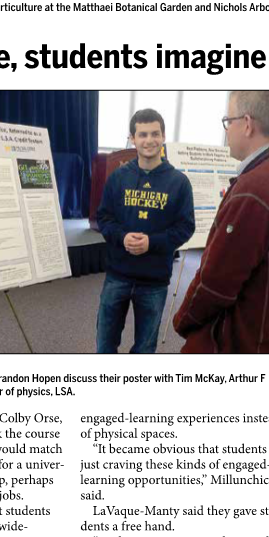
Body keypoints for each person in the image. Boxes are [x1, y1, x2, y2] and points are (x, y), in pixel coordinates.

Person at [173, 90, 269, 354]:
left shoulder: (257, 188)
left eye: (228, 121)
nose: (226, 131)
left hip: (239, 341)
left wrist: (182, 321)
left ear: (247, 124)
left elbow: (215, 284)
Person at [95, 107, 195, 353]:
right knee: (105, 344)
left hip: (154, 280)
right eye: (142, 134)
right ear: (132, 138)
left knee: (145, 347)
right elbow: (104, 218)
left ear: (163, 137)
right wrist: (122, 237)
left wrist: (152, 242)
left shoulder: (179, 182)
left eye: (154, 134)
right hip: (117, 275)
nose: (149, 140)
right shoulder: (118, 178)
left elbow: (185, 227)